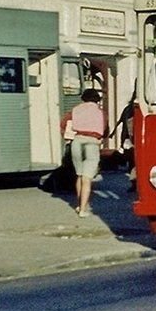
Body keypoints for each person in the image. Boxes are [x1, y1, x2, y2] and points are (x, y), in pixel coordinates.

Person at [61, 88, 106, 217]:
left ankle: (79, 204)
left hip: (77, 141)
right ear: (97, 100)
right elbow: (105, 128)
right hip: (92, 142)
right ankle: (83, 209)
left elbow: (63, 124)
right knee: (87, 178)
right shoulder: (100, 112)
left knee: (80, 175)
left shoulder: (75, 110)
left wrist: (67, 135)